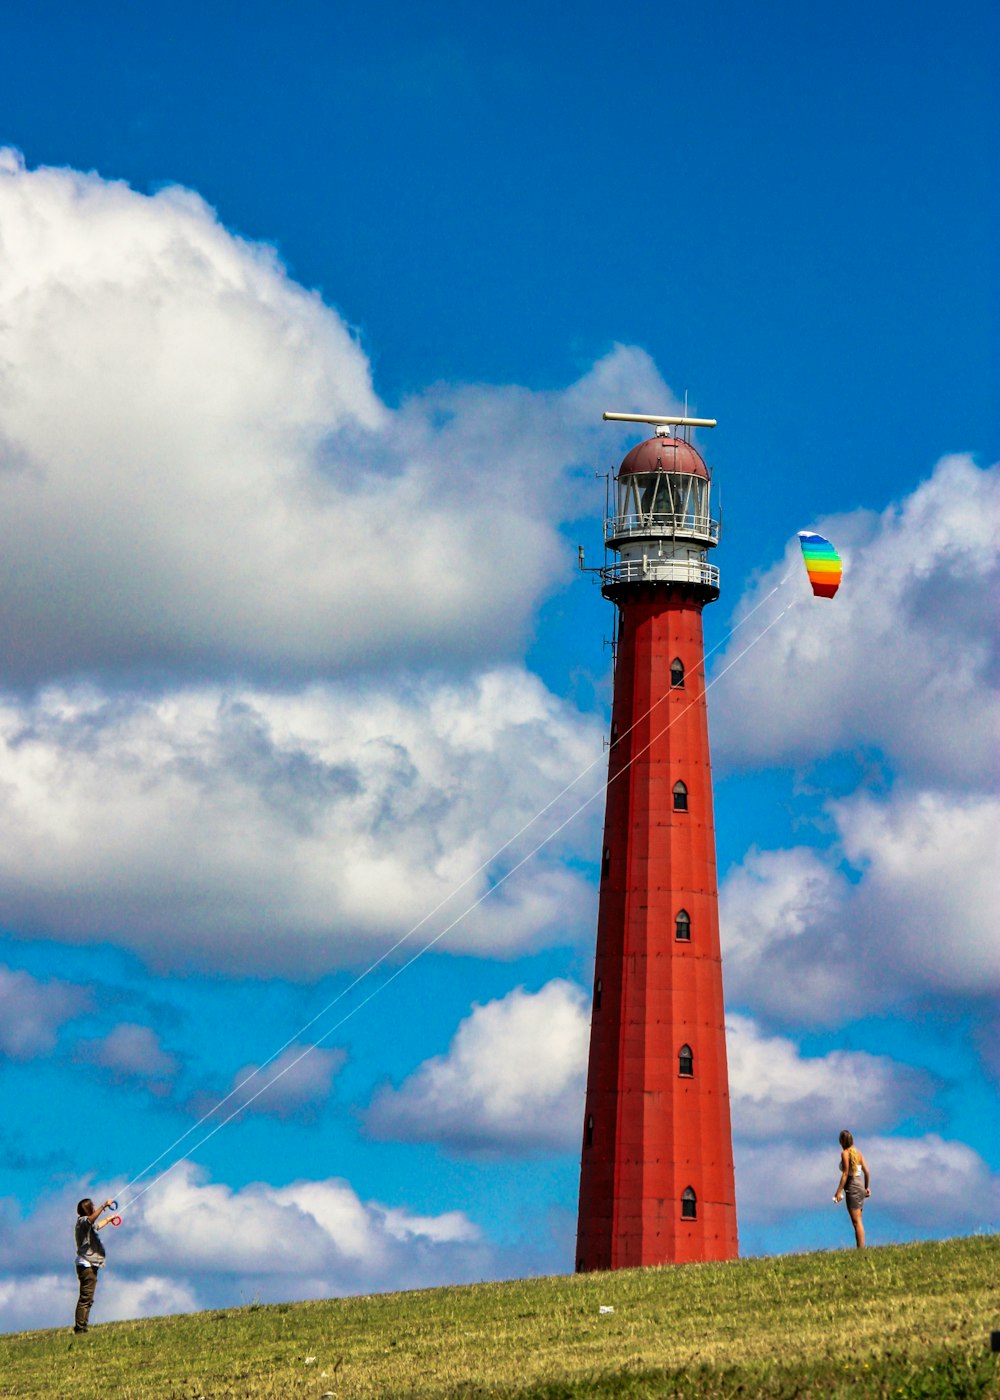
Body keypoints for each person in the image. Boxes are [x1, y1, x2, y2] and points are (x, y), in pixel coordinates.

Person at [74, 1196, 116, 1333]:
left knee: (88, 1298)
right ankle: (80, 1329)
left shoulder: (86, 1225)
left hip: (89, 1265)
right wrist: (104, 1206)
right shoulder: (82, 1222)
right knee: (86, 1299)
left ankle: (82, 1327)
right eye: (92, 1206)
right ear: (88, 1209)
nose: (94, 1207)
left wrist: (108, 1220)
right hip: (86, 1266)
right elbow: (91, 1220)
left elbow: (96, 1225)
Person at [833, 1130, 870, 1248]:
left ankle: (861, 1249)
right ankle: (861, 1247)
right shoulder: (859, 1153)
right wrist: (866, 1188)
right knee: (858, 1220)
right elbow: (867, 1172)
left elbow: (845, 1173)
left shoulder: (845, 1153)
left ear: (842, 1141)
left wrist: (838, 1191)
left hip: (852, 1186)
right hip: (859, 1184)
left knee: (856, 1221)